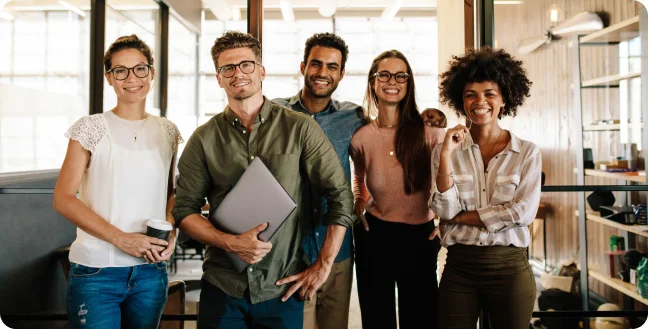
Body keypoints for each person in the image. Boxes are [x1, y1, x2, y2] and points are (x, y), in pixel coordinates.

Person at [171, 31, 354, 329]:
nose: (237, 73)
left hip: (281, 288)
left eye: (246, 64)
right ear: (218, 78)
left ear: (261, 71)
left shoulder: (300, 128)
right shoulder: (203, 139)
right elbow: (184, 210)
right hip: (223, 286)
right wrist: (231, 243)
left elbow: (341, 197)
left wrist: (323, 264)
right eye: (227, 68)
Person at [53, 34, 182, 329]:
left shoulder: (168, 130)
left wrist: (170, 234)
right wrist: (120, 238)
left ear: (151, 73)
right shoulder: (90, 127)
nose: (131, 78)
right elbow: (63, 198)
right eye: (120, 70)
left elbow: (170, 193)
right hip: (97, 270)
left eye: (139, 68)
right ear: (109, 78)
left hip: (150, 272)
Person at [431, 46, 541, 329]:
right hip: (459, 268)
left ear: (504, 98)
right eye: (471, 95)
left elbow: (522, 213)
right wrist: (445, 155)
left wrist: (461, 218)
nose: (480, 101)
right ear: (461, 100)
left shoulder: (527, 153)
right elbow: (445, 208)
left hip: (510, 268)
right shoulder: (447, 150)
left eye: (490, 93)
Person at [272, 32, 365, 329]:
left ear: (341, 73)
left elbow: (382, 149)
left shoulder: (354, 117)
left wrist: (364, 196)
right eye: (316, 64)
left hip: (336, 249)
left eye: (332, 66)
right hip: (290, 250)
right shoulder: (275, 113)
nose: (322, 73)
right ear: (303, 67)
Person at [350, 49, 445, 329]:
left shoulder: (430, 132)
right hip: (374, 235)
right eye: (385, 74)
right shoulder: (362, 137)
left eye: (400, 75)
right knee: (377, 320)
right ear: (373, 82)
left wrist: (446, 223)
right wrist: (358, 201)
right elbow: (359, 176)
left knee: (421, 319)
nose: (393, 81)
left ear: (409, 82)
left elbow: (453, 182)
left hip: (420, 237)